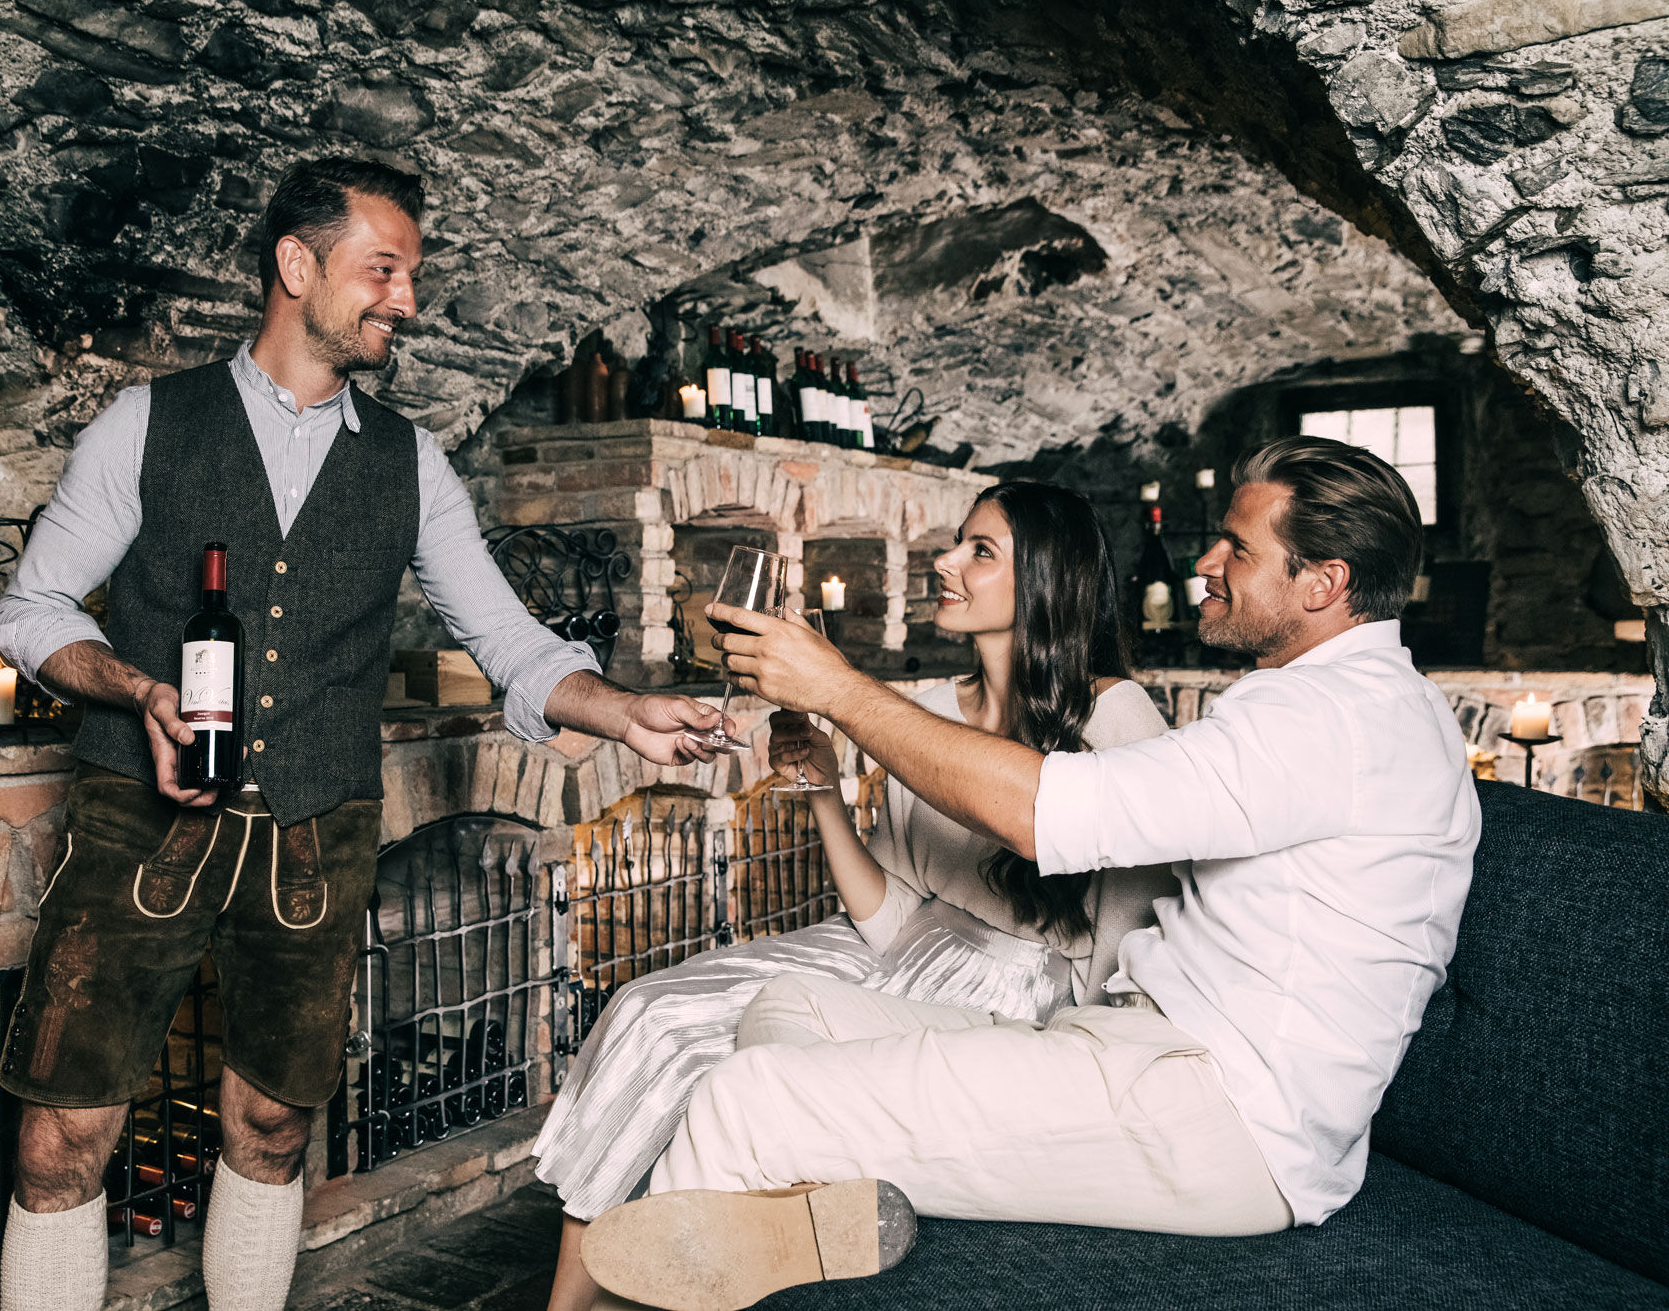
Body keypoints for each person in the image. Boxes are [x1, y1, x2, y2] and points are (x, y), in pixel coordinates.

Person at [0, 156, 726, 1311]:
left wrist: (622, 709)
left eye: (410, 275)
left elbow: (510, 640)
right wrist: (137, 690)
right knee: (60, 1135)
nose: (407, 300)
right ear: (296, 265)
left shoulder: (409, 462)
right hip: (138, 817)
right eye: (382, 269)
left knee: (274, 1124)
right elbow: (31, 612)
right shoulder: (147, 424)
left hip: (317, 827)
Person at [580, 436, 1480, 1311]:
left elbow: (1045, 813)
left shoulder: (1332, 720)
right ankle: (831, 1221)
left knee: (744, 1099)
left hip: (1222, 1110)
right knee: (788, 1007)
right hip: (1142, 1047)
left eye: (1238, 548)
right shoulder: (1340, 703)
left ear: (1324, 582)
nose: (1207, 562)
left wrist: (840, 690)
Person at [538, 481, 1178, 1311]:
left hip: (1014, 997)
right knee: (648, 1010)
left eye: (981, 551)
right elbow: (886, 909)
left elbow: (1134, 932)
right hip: (896, 949)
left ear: (1048, 580)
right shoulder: (929, 712)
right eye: (957, 541)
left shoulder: (1115, 716)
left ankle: (674, 1283)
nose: (945, 561)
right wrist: (823, 789)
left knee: (715, 1064)